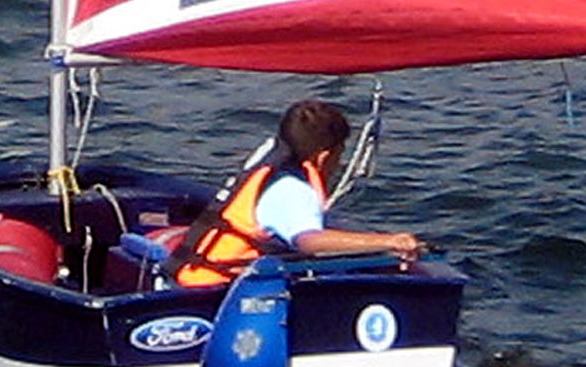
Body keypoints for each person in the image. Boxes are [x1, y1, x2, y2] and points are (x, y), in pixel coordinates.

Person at [166, 97, 423, 289]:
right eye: (340, 154)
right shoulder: (292, 189)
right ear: (324, 157)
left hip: (189, 276)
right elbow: (309, 241)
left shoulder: (270, 164)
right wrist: (391, 242)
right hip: (213, 291)